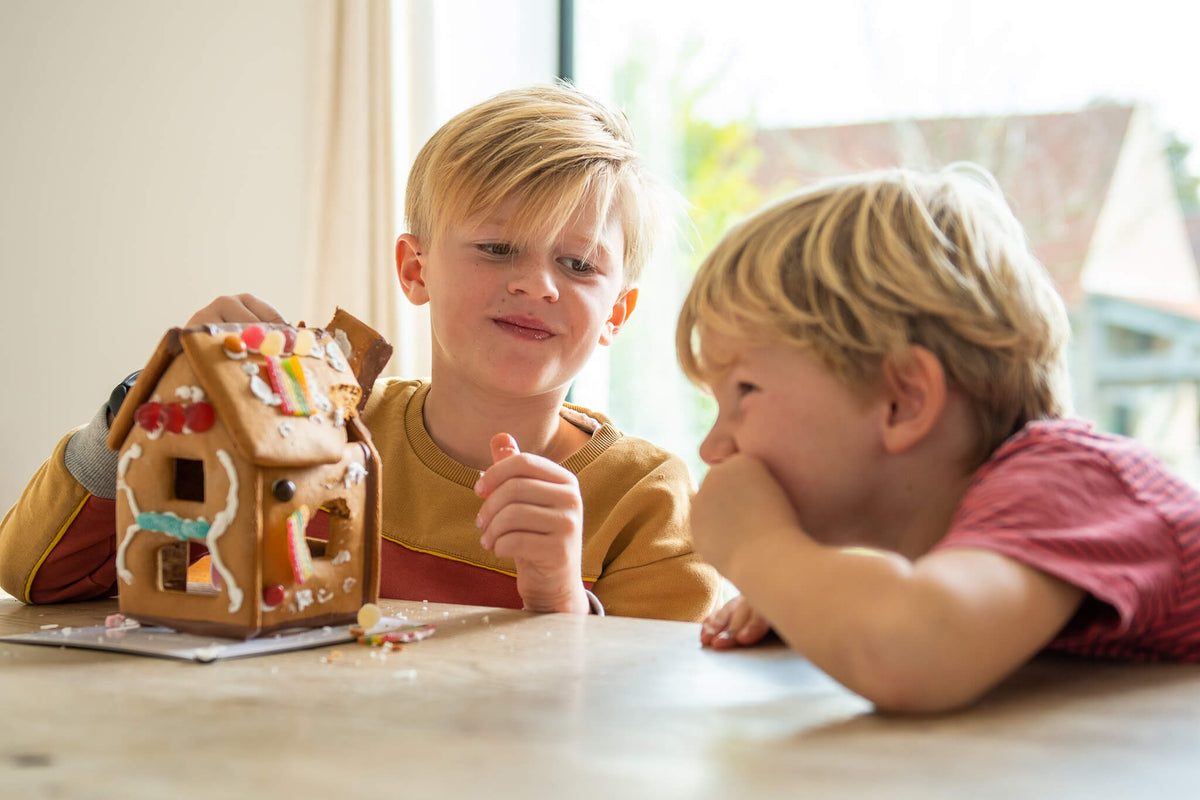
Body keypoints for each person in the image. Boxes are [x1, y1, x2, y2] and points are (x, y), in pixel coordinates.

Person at [0, 82, 719, 621]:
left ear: (616, 312)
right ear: (415, 271)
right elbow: (38, 575)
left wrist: (561, 597)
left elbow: (655, 726)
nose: (536, 284)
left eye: (579, 265)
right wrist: (154, 399)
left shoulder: (644, 500)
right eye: (498, 249)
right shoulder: (307, 431)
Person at [675, 164, 1200, 712]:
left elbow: (909, 652)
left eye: (747, 392)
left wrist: (765, 551)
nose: (713, 448)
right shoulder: (975, 520)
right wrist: (818, 598)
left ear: (904, 400)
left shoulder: (1071, 483)